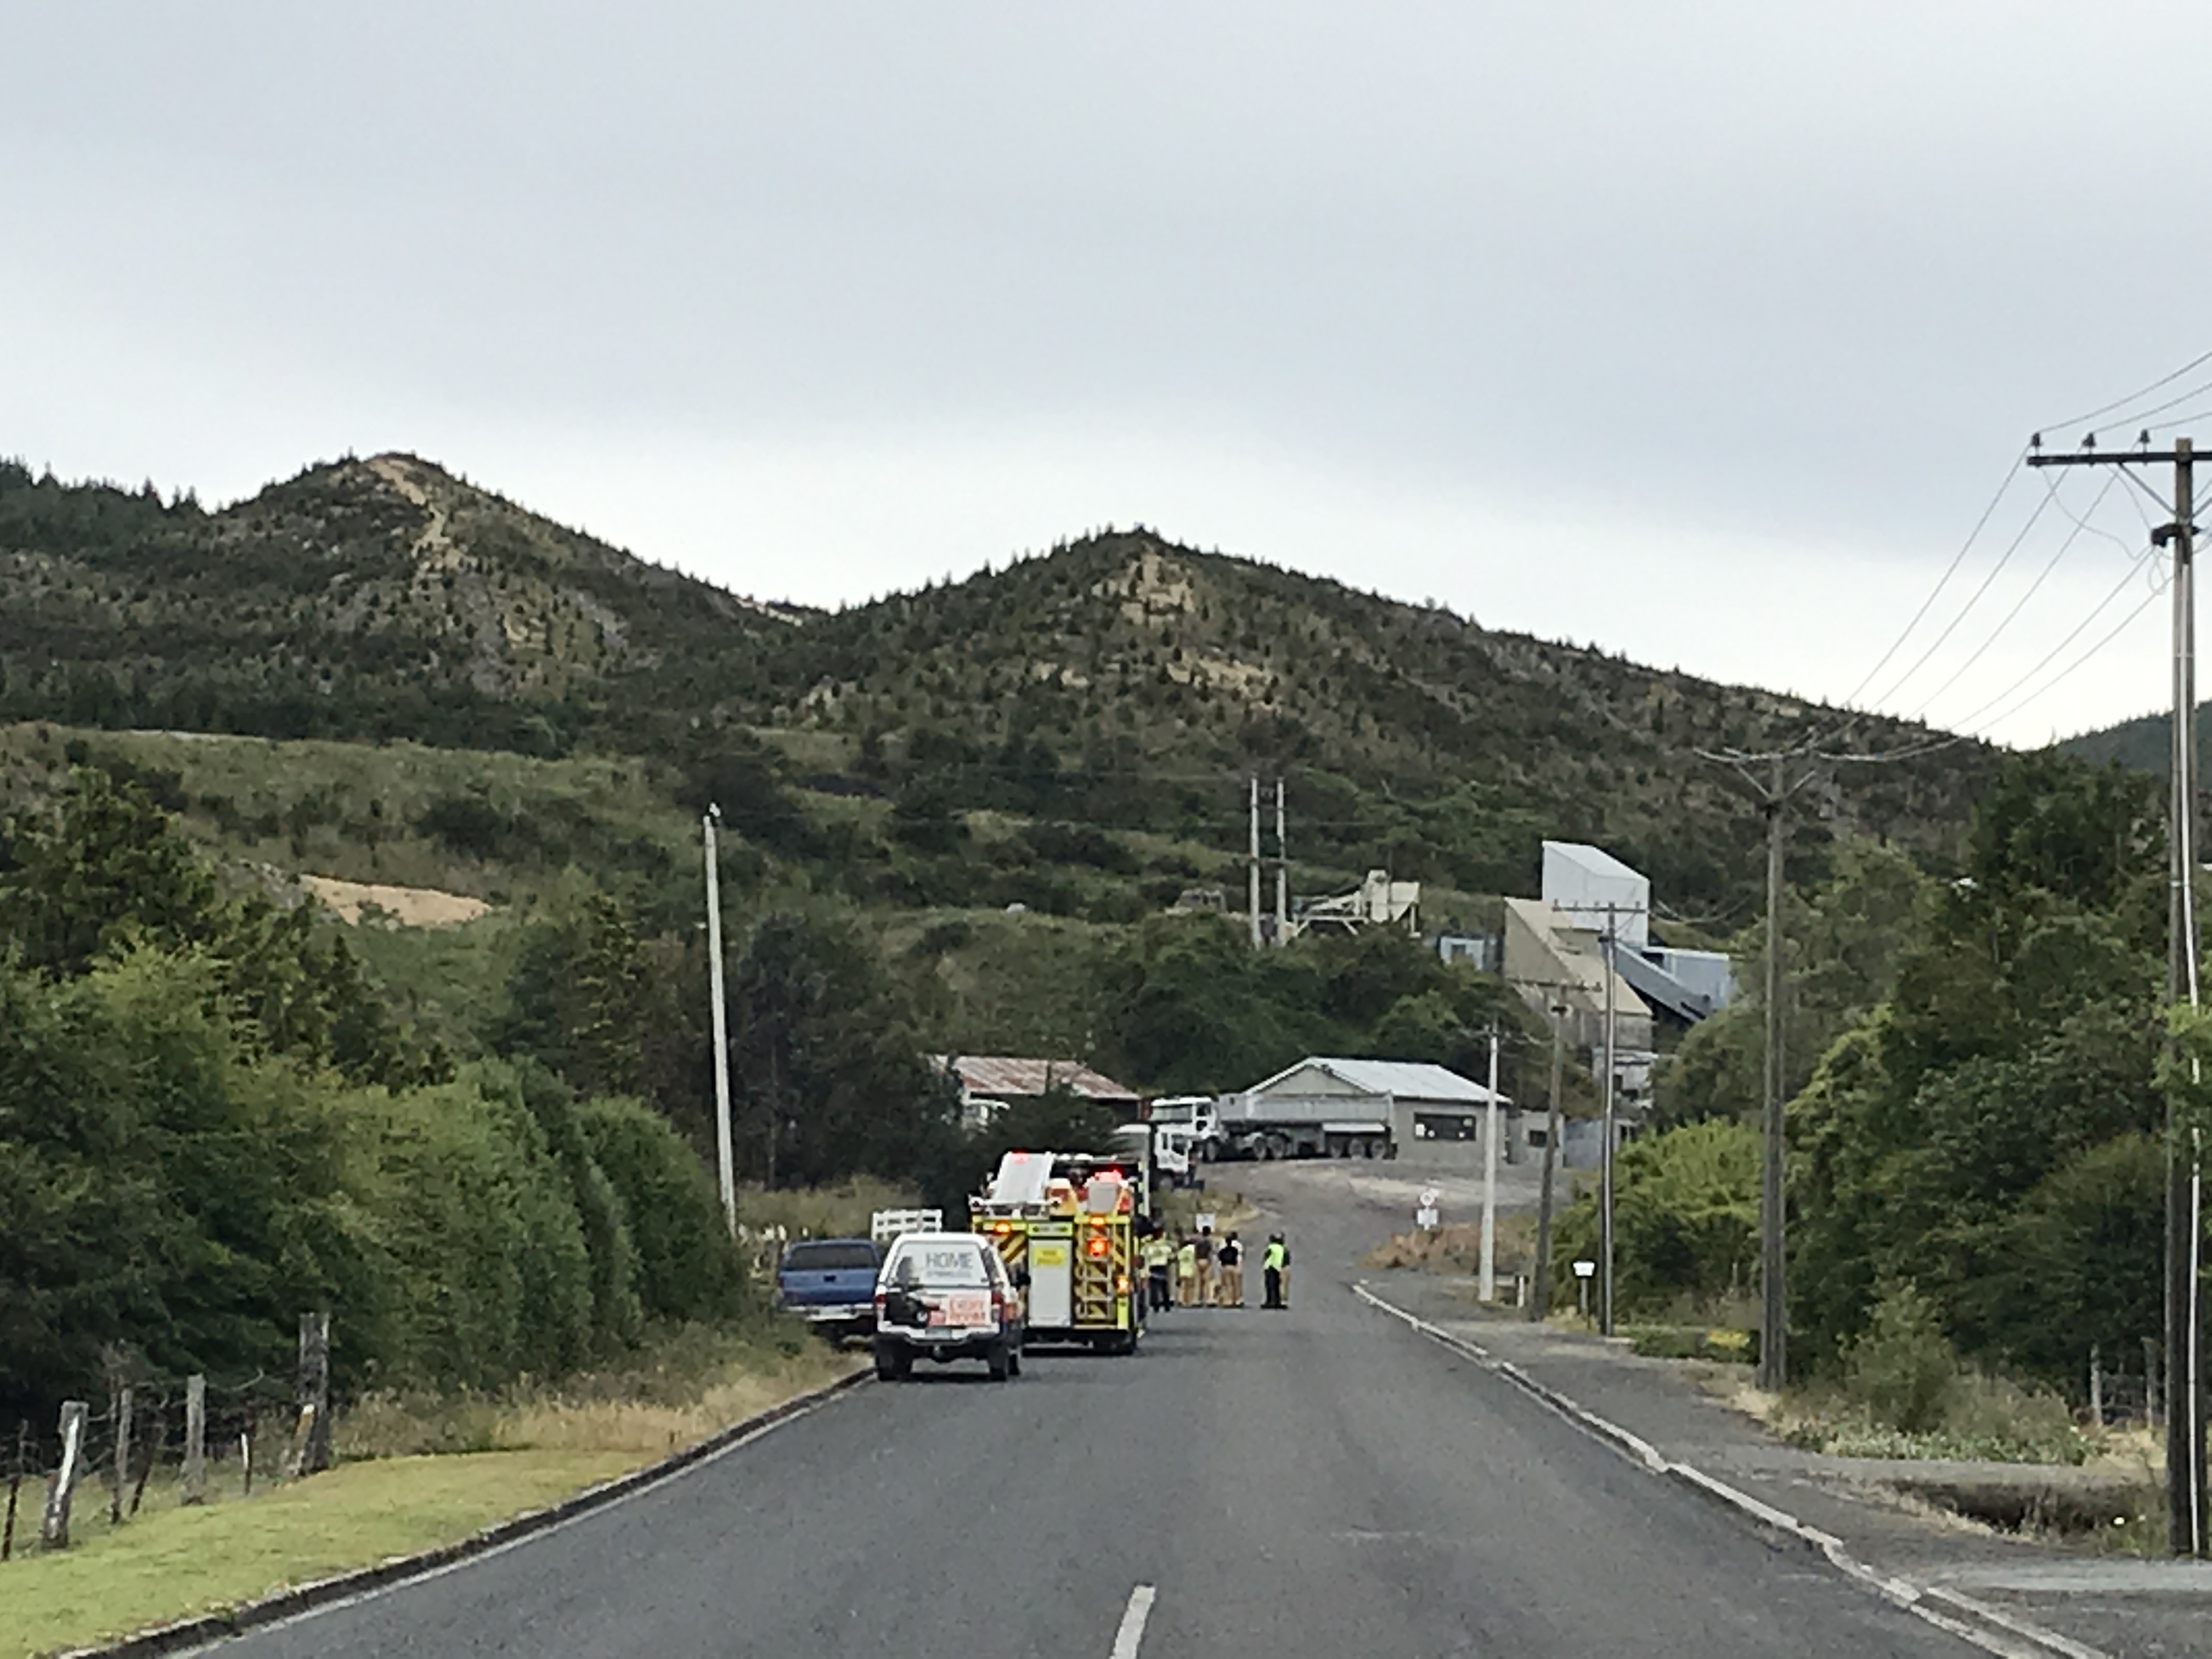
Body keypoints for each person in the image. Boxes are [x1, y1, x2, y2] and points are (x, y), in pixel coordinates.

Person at [1142, 1230, 1175, 1312]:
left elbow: (1143, 1257)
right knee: (1164, 1288)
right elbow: (1171, 1257)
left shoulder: (1148, 1246)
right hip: (1162, 1267)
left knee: (1154, 1288)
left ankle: (1155, 1305)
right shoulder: (1165, 1246)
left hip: (1153, 1267)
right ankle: (1166, 1305)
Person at [1261, 1233, 1288, 1310]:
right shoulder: (1283, 1248)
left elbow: (1266, 1257)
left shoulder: (1271, 1247)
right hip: (1279, 1268)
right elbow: (1286, 1259)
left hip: (1270, 1268)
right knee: (1278, 1285)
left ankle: (1270, 1301)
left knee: (1270, 1285)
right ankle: (1278, 1301)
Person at [1217, 1232, 1244, 1307]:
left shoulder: (1222, 1247)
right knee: (1237, 1284)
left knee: (1229, 1285)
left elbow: (1220, 1258)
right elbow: (1240, 1257)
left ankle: (1230, 1300)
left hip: (1226, 1266)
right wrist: (1239, 1267)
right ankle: (1238, 1300)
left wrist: (1221, 1267)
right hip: (1234, 1266)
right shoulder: (1237, 1247)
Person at [1194, 1227, 1216, 1307]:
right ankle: (1209, 1299)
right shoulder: (1209, 1242)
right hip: (1206, 1261)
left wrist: (1196, 1260)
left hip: (1198, 1261)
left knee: (1198, 1281)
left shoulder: (1198, 1242)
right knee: (1208, 1281)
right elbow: (1212, 1252)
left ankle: (1197, 1299)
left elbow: (1195, 1251)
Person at [1176, 1235, 1199, 1308]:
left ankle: (1182, 1301)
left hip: (1182, 1270)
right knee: (1190, 1287)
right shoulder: (1194, 1249)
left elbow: (1178, 1259)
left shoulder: (1183, 1250)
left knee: (1183, 1287)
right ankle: (1189, 1301)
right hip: (1190, 1269)